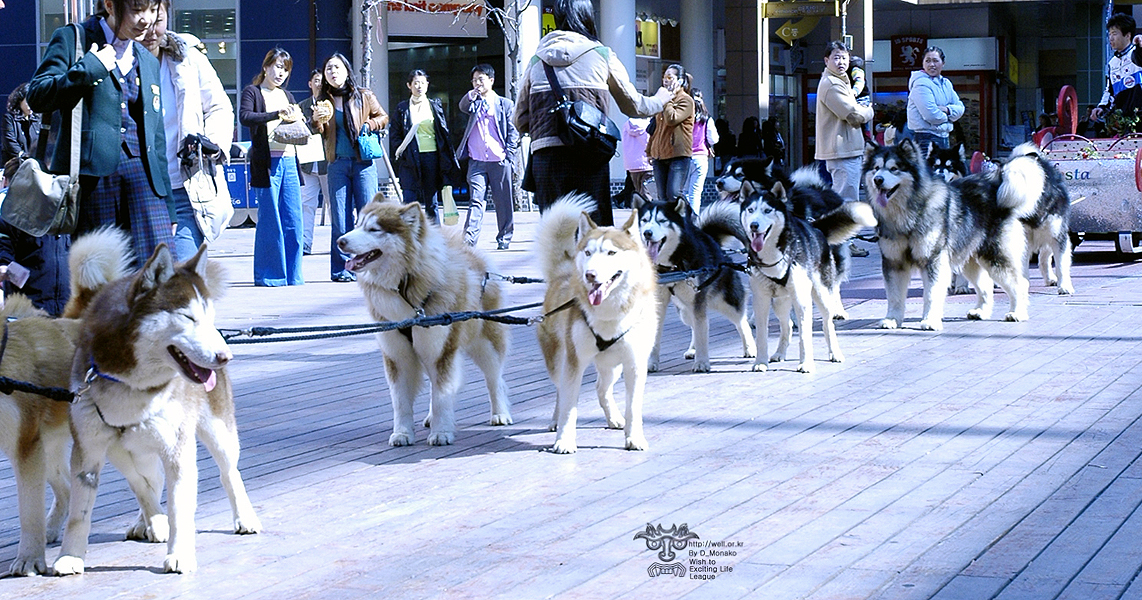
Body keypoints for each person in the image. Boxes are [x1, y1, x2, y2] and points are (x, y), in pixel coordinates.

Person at [27, 0, 174, 266]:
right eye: (137, 9)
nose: (146, 20)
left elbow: (157, 139)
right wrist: (90, 67)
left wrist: (170, 206)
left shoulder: (146, 59)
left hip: (145, 188)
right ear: (109, 4)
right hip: (94, 184)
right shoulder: (74, 39)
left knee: (157, 283)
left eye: (152, 10)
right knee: (100, 287)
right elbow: (37, 96)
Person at [514, 0, 670, 225]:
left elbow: (520, 119)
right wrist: (661, 100)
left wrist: (548, 125)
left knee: (556, 239)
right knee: (595, 235)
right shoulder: (601, 55)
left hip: (546, 158)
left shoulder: (537, 61)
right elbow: (634, 106)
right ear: (588, 16)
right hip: (589, 152)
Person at [143, 2, 233, 263]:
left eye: (157, 20)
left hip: (184, 187)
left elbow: (219, 106)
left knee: (182, 278)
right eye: (142, 20)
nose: (150, 30)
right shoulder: (120, 61)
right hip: (140, 192)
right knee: (141, 285)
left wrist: (211, 142)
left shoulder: (188, 58)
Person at [311, 53, 388, 282]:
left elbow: (383, 116)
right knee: (340, 219)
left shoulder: (363, 95)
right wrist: (315, 119)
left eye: (336, 68)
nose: (333, 72)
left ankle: (374, 267)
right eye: (328, 69)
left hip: (363, 163)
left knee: (368, 216)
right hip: (337, 164)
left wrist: (369, 124)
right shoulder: (323, 100)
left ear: (346, 70)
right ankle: (341, 269)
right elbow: (318, 130)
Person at [239, 47, 304, 286]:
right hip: (266, 163)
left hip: (289, 161)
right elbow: (245, 117)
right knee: (270, 221)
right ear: (266, 67)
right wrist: (276, 114)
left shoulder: (288, 96)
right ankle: (270, 276)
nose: (280, 73)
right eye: (277, 67)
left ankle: (293, 275)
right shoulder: (253, 92)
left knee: (293, 221)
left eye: (285, 70)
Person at [815, 41, 873, 257]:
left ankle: (845, 242)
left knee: (847, 197)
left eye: (844, 58)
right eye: (837, 57)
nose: (841, 62)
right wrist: (869, 111)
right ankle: (841, 245)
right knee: (844, 199)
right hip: (841, 150)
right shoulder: (831, 84)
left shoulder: (841, 81)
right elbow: (853, 115)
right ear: (826, 60)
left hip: (847, 149)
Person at [458, 64, 519, 249]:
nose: (477, 83)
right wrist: (471, 95)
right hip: (477, 161)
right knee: (476, 199)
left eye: (481, 79)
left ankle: (504, 237)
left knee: (503, 202)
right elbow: (462, 106)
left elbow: (512, 131)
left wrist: (508, 155)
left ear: (491, 80)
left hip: (499, 160)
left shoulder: (505, 104)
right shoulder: (473, 103)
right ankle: (469, 239)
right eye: (474, 80)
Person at [390, 69, 458, 228]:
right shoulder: (402, 108)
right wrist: (403, 152)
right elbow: (395, 134)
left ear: (427, 85)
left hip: (431, 157)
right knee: (409, 198)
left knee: (431, 201)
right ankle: (408, 235)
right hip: (410, 158)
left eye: (422, 83)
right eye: (415, 83)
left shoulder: (434, 105)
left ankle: (435, 237)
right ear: (409, 85)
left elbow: (443, 132)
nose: (419, 86)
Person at [647, 63, 695, 205]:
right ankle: (668, 225)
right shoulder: (662, 99)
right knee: (662, 197)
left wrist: (667, 100)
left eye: (669, 77)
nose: (665, 80)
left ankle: (690, 220)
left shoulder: (686, 100)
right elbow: (655, 128)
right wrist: (649, 150)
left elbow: (672, 119)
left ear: (680, 80)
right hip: (659, 154)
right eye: (664, 77)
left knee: (674, 194)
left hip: (678, 154)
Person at [297, 69, 330, 255]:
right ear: (310, 83)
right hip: (308, 163)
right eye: (316, 80)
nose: (319, 84)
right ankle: (305, 244)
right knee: (307, 205)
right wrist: (312, 120)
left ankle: (339, 245)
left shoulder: (331, 104)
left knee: (334, 204)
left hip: (329, 162)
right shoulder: (302, 106)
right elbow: (298, 129)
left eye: (321, 80)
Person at [906, 45, 964, 149]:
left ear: (943, 63)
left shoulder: (946, 83)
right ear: (923, 63)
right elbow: (931, 115)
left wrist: (946, 109)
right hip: (925, 139)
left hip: (944, 137)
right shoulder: (920, 83)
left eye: (935, 60)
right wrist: (949, 117)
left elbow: (961, 108)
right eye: (927, 61)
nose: (931, 64)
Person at [1092, 13, 1142, 130]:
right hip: (1123, 122)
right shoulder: (1112, 63)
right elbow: (1109, 90)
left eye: (1114, 34)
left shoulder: (1137, 54)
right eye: (1109, 34)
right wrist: (1102, 107)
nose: (1111, 38)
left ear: (1127, 35)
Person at [685, 88, 717, 213]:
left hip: (685, 157)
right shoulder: (707, 119)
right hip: (701, 158)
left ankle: (684, 218)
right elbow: (713, 139)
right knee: (696, 193)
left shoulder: (685, 118)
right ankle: (694, 218)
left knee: (684, 191)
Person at [2, 83, 41, 168]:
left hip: (34, 166)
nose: (31, 105)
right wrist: (24, 157)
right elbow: (10, 143)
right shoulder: (9, 118)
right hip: (15, 166)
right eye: (28, 101)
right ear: (20, 100)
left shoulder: (38, 119)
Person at [621, 117, 655, 201]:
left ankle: (641, 210)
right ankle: (647, 211)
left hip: (632, 164)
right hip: (647, 163)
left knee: (639, 191)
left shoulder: (626, 124)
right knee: (649, 192)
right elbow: (648, 143)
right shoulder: (646, 124)